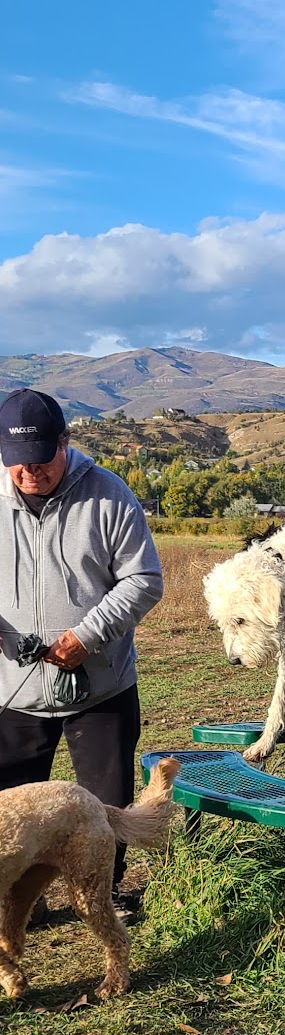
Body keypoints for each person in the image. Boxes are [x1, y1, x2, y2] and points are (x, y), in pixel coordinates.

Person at [0, 388, 163, 909]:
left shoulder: (109, 494)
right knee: (12, 811)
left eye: (41, 460)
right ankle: (24, 899)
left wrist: (86, 636)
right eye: (17, 463)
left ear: (65, 443)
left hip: (101, 688)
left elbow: (144, 580)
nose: (30, 473)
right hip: (13, 693)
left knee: (107, 802)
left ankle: (103, 893)